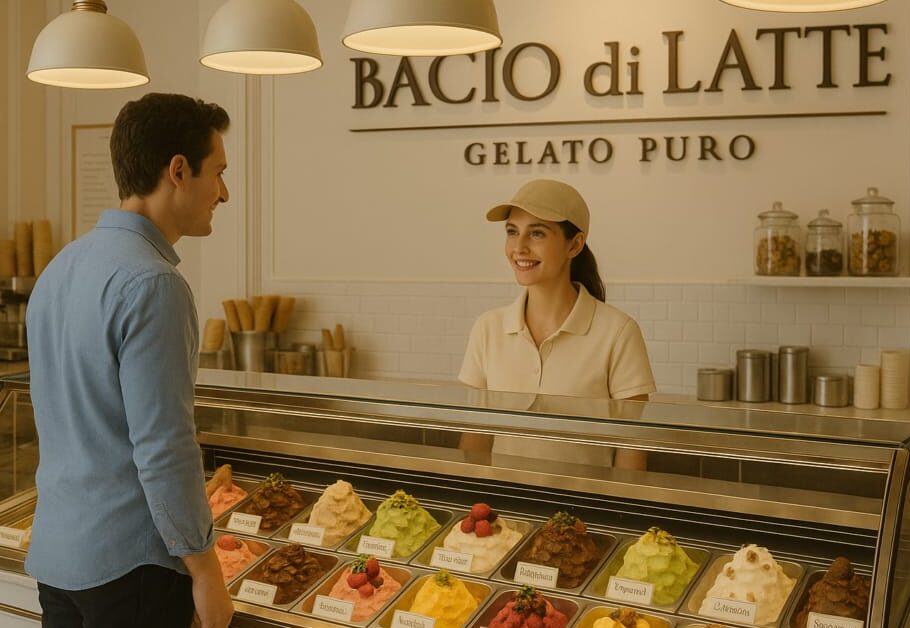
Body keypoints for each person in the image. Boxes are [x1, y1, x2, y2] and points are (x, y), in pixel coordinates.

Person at [26, 93, 234, 628]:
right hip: (132, 570)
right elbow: (164, 449)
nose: (225, 193)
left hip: (58, 560)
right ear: (179, 171)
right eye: (218, 173)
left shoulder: (60, 267)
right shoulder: (155, 283)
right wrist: (207, 573)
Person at [458, 178, 656, 470]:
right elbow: (476, 437)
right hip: (503, 510)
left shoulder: (618, 332)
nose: (519, 247)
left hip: (585, 510)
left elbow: (630, 449)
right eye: (513, 232)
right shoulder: (487, 328)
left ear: (574, 245)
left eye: (537, 233)